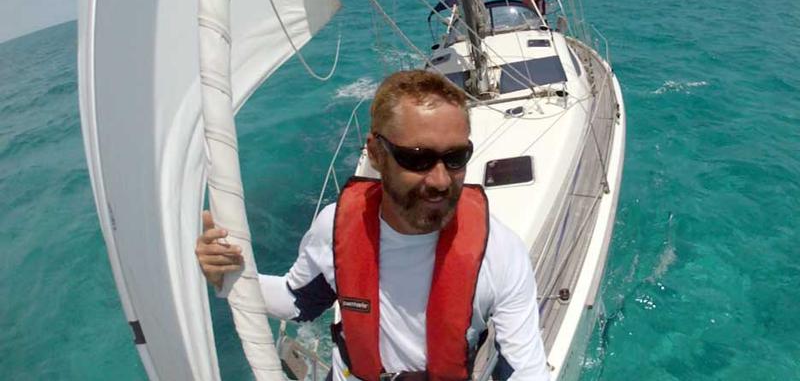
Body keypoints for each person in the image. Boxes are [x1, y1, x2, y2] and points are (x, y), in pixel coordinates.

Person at [196, 70, 549, 381]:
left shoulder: (499, 252)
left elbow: (525, 369)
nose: (441, 180)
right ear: (377, 155)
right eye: (418, 159)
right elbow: (299, 302)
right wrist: (230, 275)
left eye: (456, 158)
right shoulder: (335, 226)